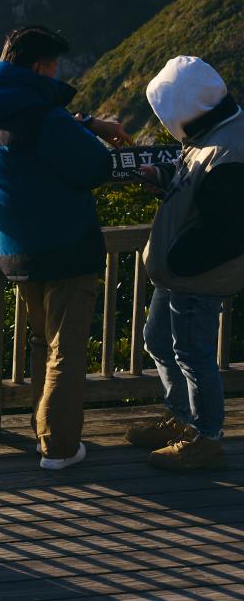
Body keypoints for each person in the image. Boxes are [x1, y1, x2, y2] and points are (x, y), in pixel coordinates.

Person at [0, 25, 126, 472]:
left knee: (43, 342)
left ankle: (45, 432)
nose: (58, 76)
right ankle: (58, 448)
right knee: (66, 350)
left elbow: (32, 140)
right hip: (65, 246)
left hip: (15, 247)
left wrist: (85, 122)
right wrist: (90, 133)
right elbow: (94, 166)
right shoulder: (44, 117)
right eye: (55, 68)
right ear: (39, 67)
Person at [125, 55, 244, 472]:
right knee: (158, 339)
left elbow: (227, 228)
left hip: (197, 273)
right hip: (180, 268)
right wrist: (164, 178)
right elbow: (200, 193)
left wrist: (178, 259)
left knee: (194, 355)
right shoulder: (213, 132)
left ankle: (205, 438)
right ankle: (181, 418)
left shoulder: (231, 150)